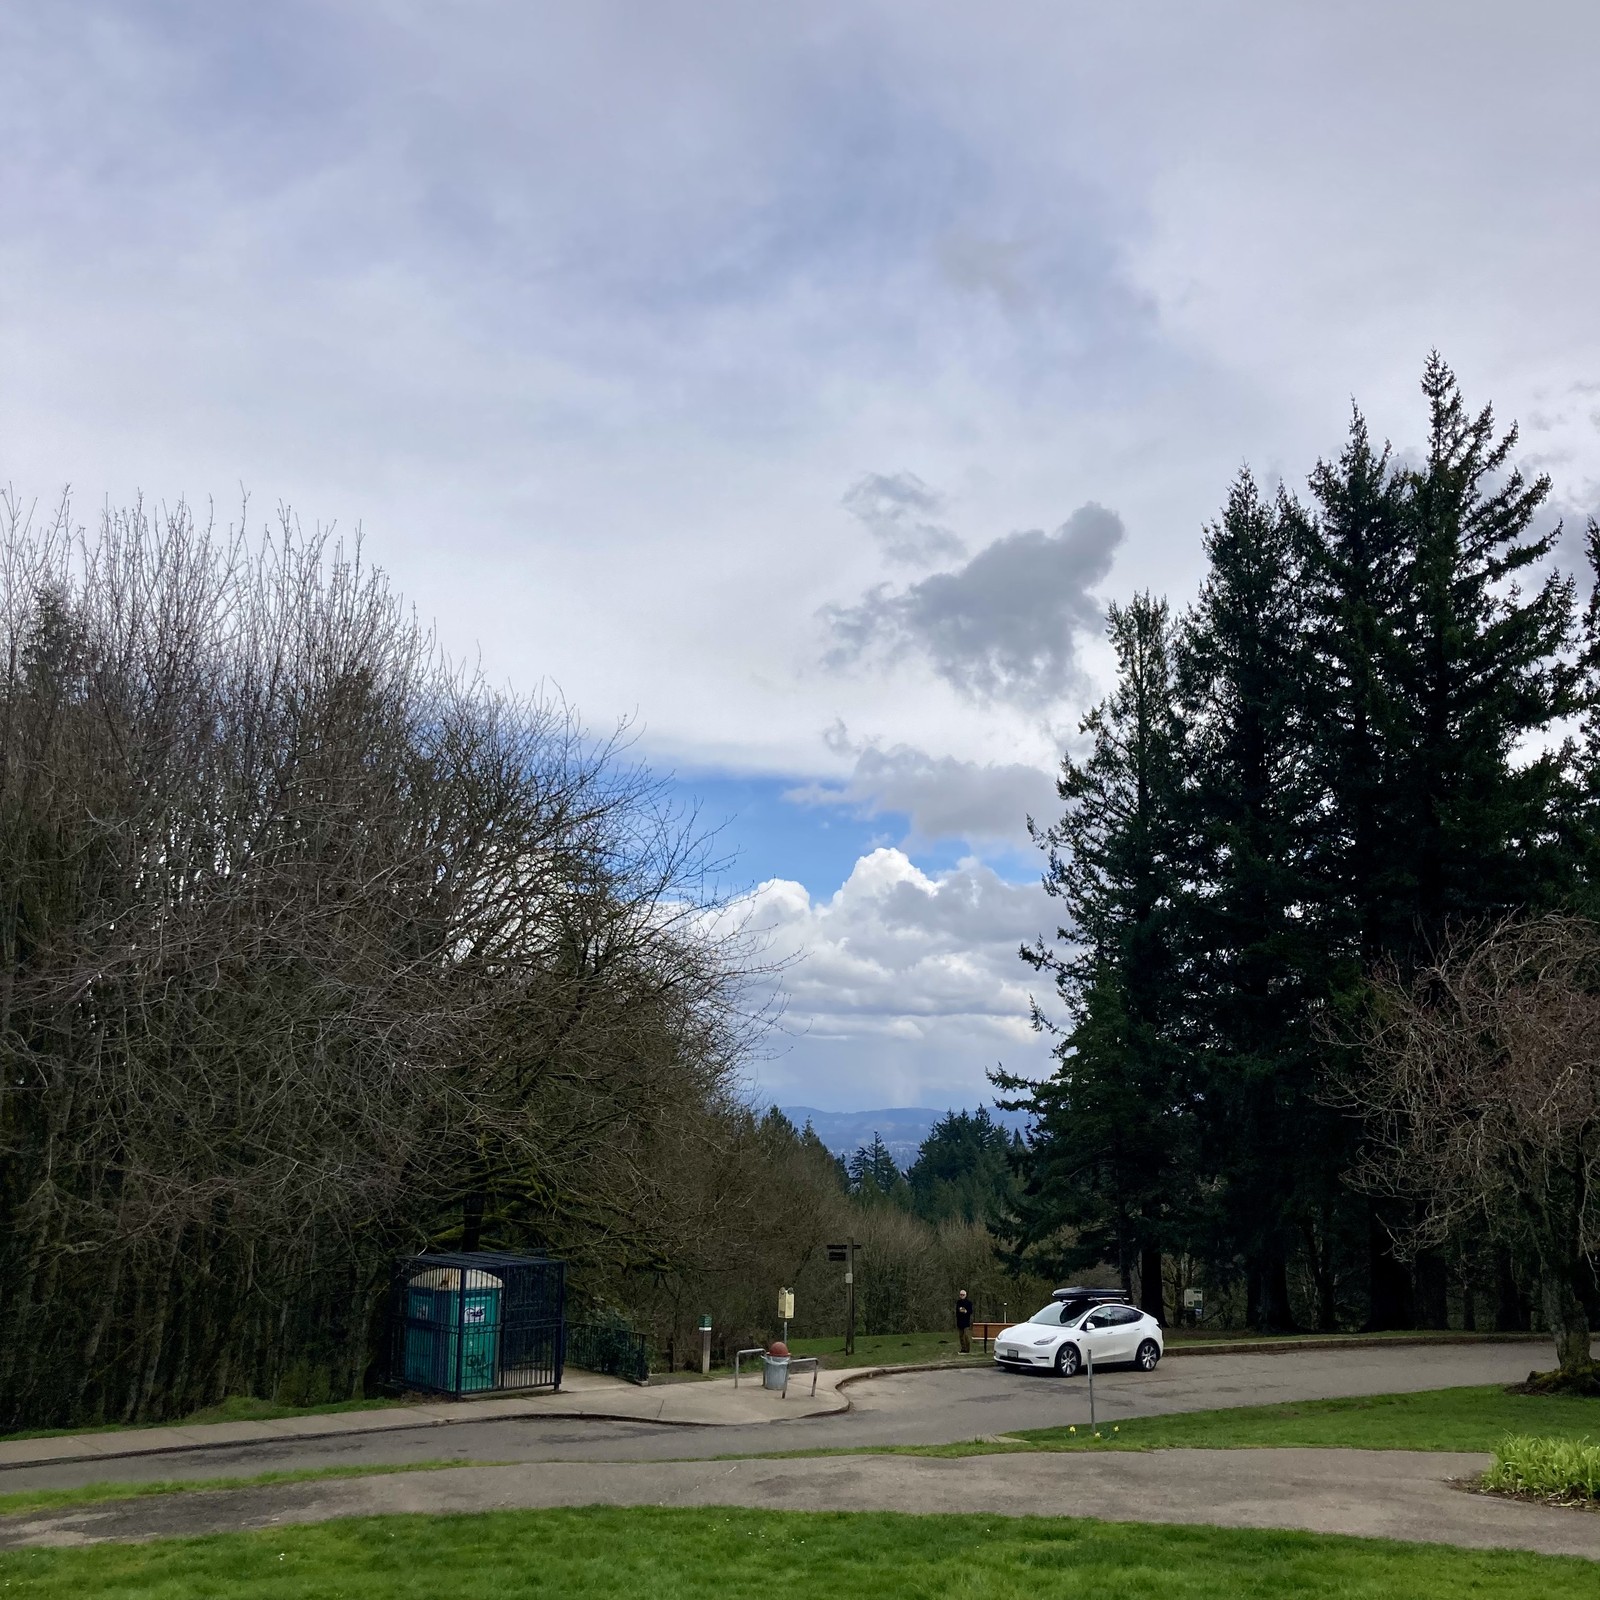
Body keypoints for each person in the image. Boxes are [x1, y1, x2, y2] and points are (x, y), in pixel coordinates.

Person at [955, 1288, 974, 1353]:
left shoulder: (969, 1303)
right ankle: (963, 1348)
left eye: (963, 1295)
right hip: (960, 1321)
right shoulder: (958, 1302)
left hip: (966, 1321)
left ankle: (967, 1349)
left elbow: (970, 1311)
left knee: (966, 1336)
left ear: (965, 1295)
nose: (962, 1296)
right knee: (961, 1336)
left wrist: (966, 1311)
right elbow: (958, 1310)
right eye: (961, 1295)